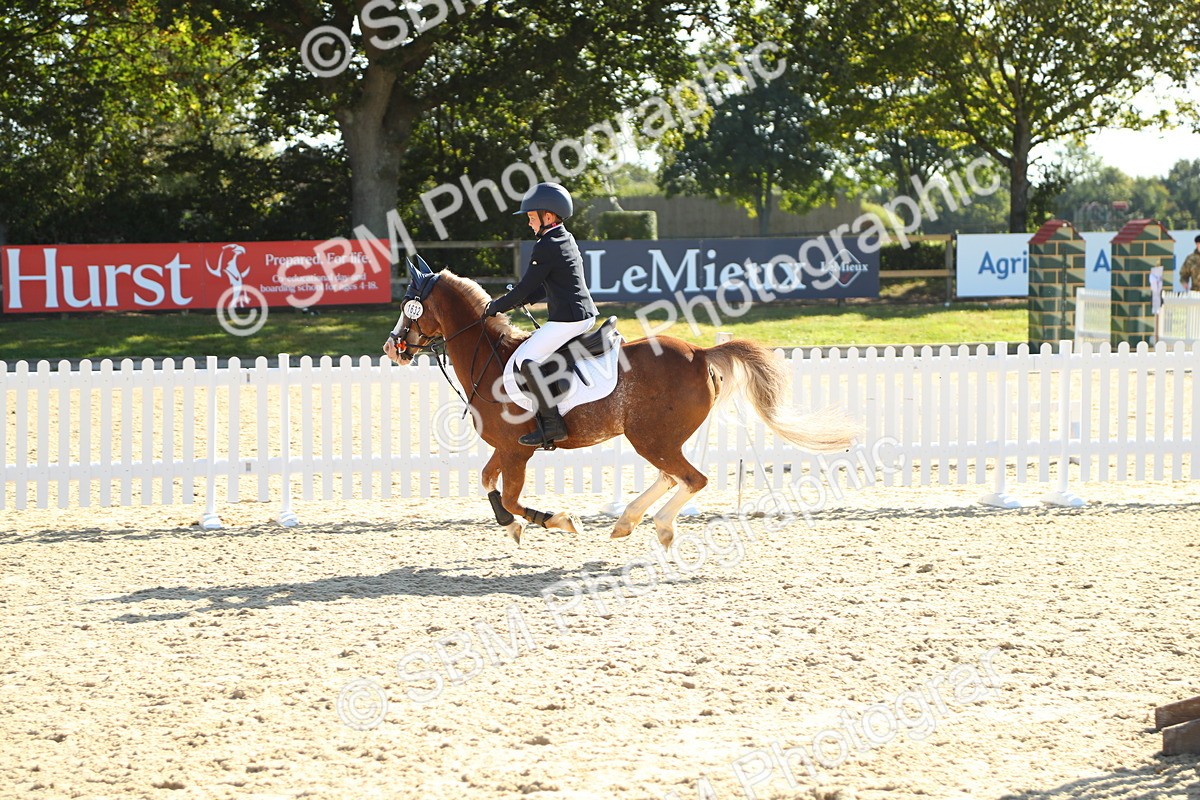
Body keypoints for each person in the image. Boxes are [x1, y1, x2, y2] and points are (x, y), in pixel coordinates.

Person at [484, 182, 598, 448]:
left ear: (548, 216)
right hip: (578, 313)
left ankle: (552, 425)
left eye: (531, 217)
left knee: (525, 360)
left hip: (570, 319)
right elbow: (545, 287)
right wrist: (520, 300)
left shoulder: (547, 245)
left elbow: (525, 287)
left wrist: (494, 307)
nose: (529, 223)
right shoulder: (563, 238)